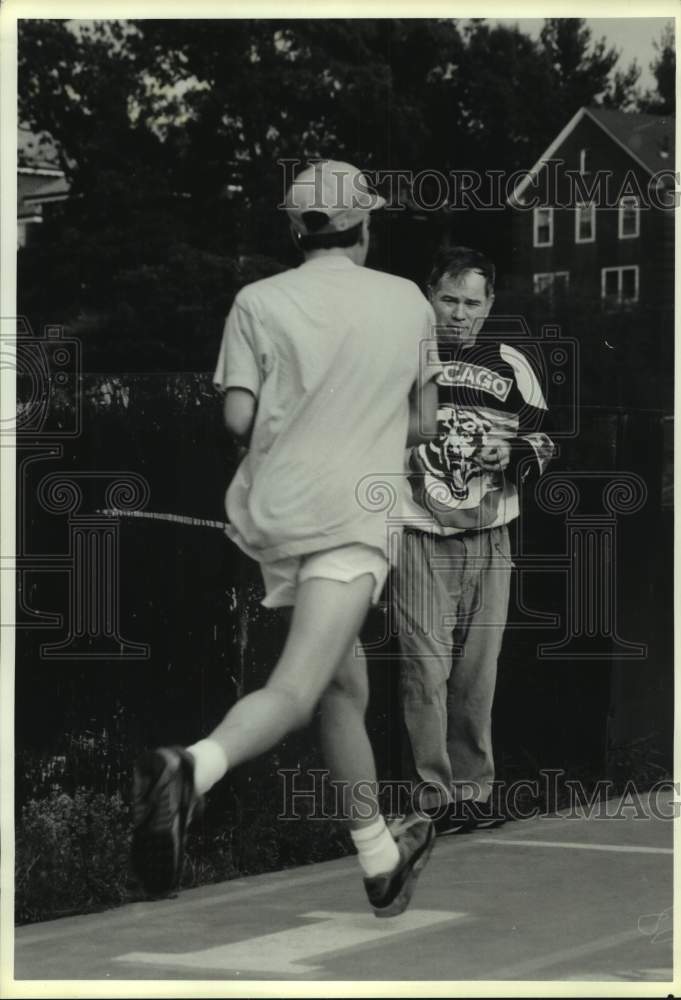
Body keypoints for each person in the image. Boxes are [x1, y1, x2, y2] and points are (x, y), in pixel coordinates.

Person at [131, 160, 441, 917]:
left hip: (275, 517)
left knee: (342, 684)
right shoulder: (406, 301)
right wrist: (360, 424)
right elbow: (425, 424)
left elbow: (238, 419)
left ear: (294, 230)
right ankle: (191, 768)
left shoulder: (255, 300)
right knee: (298, 690)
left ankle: (378, 859)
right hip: (350, 520)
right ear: (364, 226)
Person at [392, 246, 554, 835]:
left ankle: (474, 794)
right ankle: (435, 799)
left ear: (489, 308)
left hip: (491, 531)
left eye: (471, 303)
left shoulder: (512, 362)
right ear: (428, 296)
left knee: (477, 671)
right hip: (417, 528)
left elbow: (544, 441)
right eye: (448, 299)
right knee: (423, 668)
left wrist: (510, 452)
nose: (458, 314)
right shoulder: (396, 357)